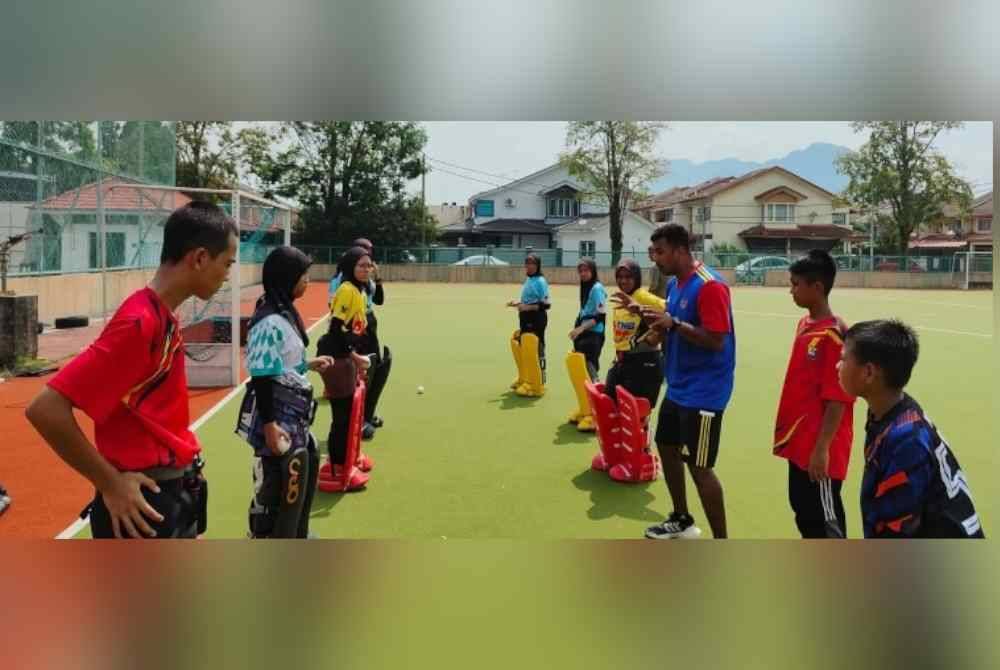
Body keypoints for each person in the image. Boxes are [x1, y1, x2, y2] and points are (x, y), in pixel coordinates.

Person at [25, 201, 238, 539]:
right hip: (144, 506)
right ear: (199, 258)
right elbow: (45, 409)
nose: (227, 275)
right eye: (227, 263)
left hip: (172, 491)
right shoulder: (139, 324)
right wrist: (110, 484)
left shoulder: (163, 316)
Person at [837, 319, 984, 538]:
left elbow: (896, 535)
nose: (837, 366)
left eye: (843, 359)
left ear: (868, 373)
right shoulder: (889, 411)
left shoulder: (906, 440)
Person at [642, 224, 735, 540]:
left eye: (660, 252)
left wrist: (674, 324)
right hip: (678, 387)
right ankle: (681, 518)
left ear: (681, 250)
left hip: (705, 392)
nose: (655, 258)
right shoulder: (674, 284)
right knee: (667, 446)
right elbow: (674, 325)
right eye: (654, 252)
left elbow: (716, 340)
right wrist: (657, 327)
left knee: (699, 466)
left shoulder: (710, 286)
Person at [237, 247, 334, 538]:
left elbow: (283, 364)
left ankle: (296, 536)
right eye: (303, 276)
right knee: (276, 485)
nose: (307, 281)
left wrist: (308, 364)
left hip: (294, 414)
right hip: (277, 417)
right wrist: (269, 426)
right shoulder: (269, 321)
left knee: (301, 473)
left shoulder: (283, 312)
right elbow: (262, 377)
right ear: (286, 278)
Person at [773, 250, 855, 539]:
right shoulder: (805, 324)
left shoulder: (833, 336)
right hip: (800, 442)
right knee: (803, 510)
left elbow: (838, 399)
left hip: (819, 449)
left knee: (826, 520)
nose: (791, 291)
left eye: (796, 284)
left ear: (817, 287)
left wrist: (822, 450)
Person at [316, 246, 374, 492]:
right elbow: (335, 330)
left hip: (345, 357)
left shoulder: (359, 290)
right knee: (342, 417)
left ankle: (350, 459)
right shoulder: (346, 290)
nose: (367, 269)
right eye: (361, 265)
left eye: (369, 265)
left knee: (351, 414)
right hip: (337, 359)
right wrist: (354, 356)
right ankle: (338, 468)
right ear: (351, 267)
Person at [329, 238, 390, 440]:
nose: (367, 266)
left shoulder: (363, 284)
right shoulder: (345, 283)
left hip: (364, 324)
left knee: (373, 369)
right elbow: (336, 320)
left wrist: (378, 278)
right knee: (356, 377)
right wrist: (350, 349)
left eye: (369, 261)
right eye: (363, 259)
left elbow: (379, 300)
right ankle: (356, 421)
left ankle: (365, 415)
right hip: (350, 331)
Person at [605, 258, 665, 407]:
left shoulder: (642, 296)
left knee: (635, 412)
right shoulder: (622, 296)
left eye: (628, 277)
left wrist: (655, 335)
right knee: (609, 403)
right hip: (623, 359)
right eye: (620, 277)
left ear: (636, 278)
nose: (623, 281)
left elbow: (668, 308)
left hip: (643, 361)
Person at [507, 253, 550, 397]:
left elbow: (546, 305)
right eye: (527, 263)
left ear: (537, 265)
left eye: (532, 263)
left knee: (534, 349)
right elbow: (529, 300)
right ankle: (525, 379)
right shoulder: (530, 280)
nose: (528, 266)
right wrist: (518, 304)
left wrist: (527, 307)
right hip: (525, 318)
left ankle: (537, 385)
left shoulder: (540, 281)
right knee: (522, 346)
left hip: (536, 318)